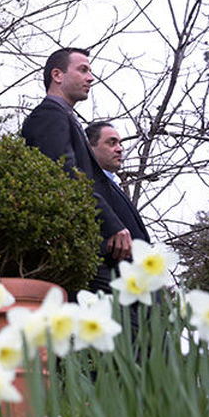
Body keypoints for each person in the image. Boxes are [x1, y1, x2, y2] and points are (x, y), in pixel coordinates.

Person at [20, 48, 141, 294]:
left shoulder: (65, 117)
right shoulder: (49, 116)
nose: (91, 78)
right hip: (89, 252)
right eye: (83, 70)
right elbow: (65, 176)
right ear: (57, 75)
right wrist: (111, 224)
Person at [86, 120, 150, 293]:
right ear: (89, 148)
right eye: (111, 143)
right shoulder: (87, 185)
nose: (120, 149)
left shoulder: (111, 183)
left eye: (120, 144)